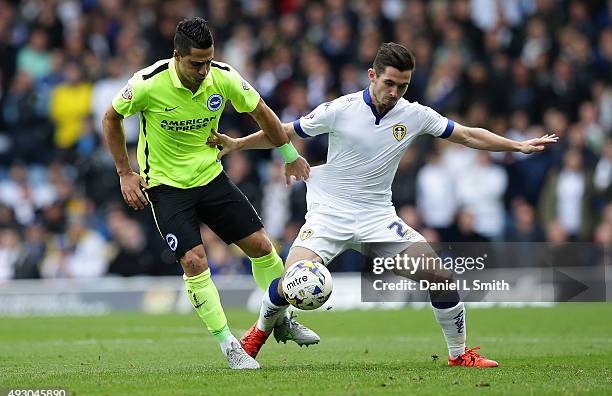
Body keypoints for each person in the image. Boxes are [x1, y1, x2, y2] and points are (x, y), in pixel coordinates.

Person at [210, 43, 558, 367]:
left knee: (441, 277)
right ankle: (256, 336)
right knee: (291, 280)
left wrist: (517, 146)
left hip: (377, 218)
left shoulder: (415, 114)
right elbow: (284, 131)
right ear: (372, 75)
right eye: (389, 83)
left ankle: (459, 354)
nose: (394, 93)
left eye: (403, 86)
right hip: (329, 215)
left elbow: (467, 134)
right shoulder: (340, 109)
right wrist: (238, 144)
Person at [102, 17, 316, 370]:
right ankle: (229, 344)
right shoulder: (147, 84)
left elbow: (262, 113)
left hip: (210, 175)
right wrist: (125, 173)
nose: (203, 70)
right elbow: (111, 118)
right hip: (166, 186)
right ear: (176, 56)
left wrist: (290, 155)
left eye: (207, 61)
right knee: (194, 261)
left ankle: (283, 319)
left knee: (263, 246)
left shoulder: (223, 76)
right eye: (195, 63)